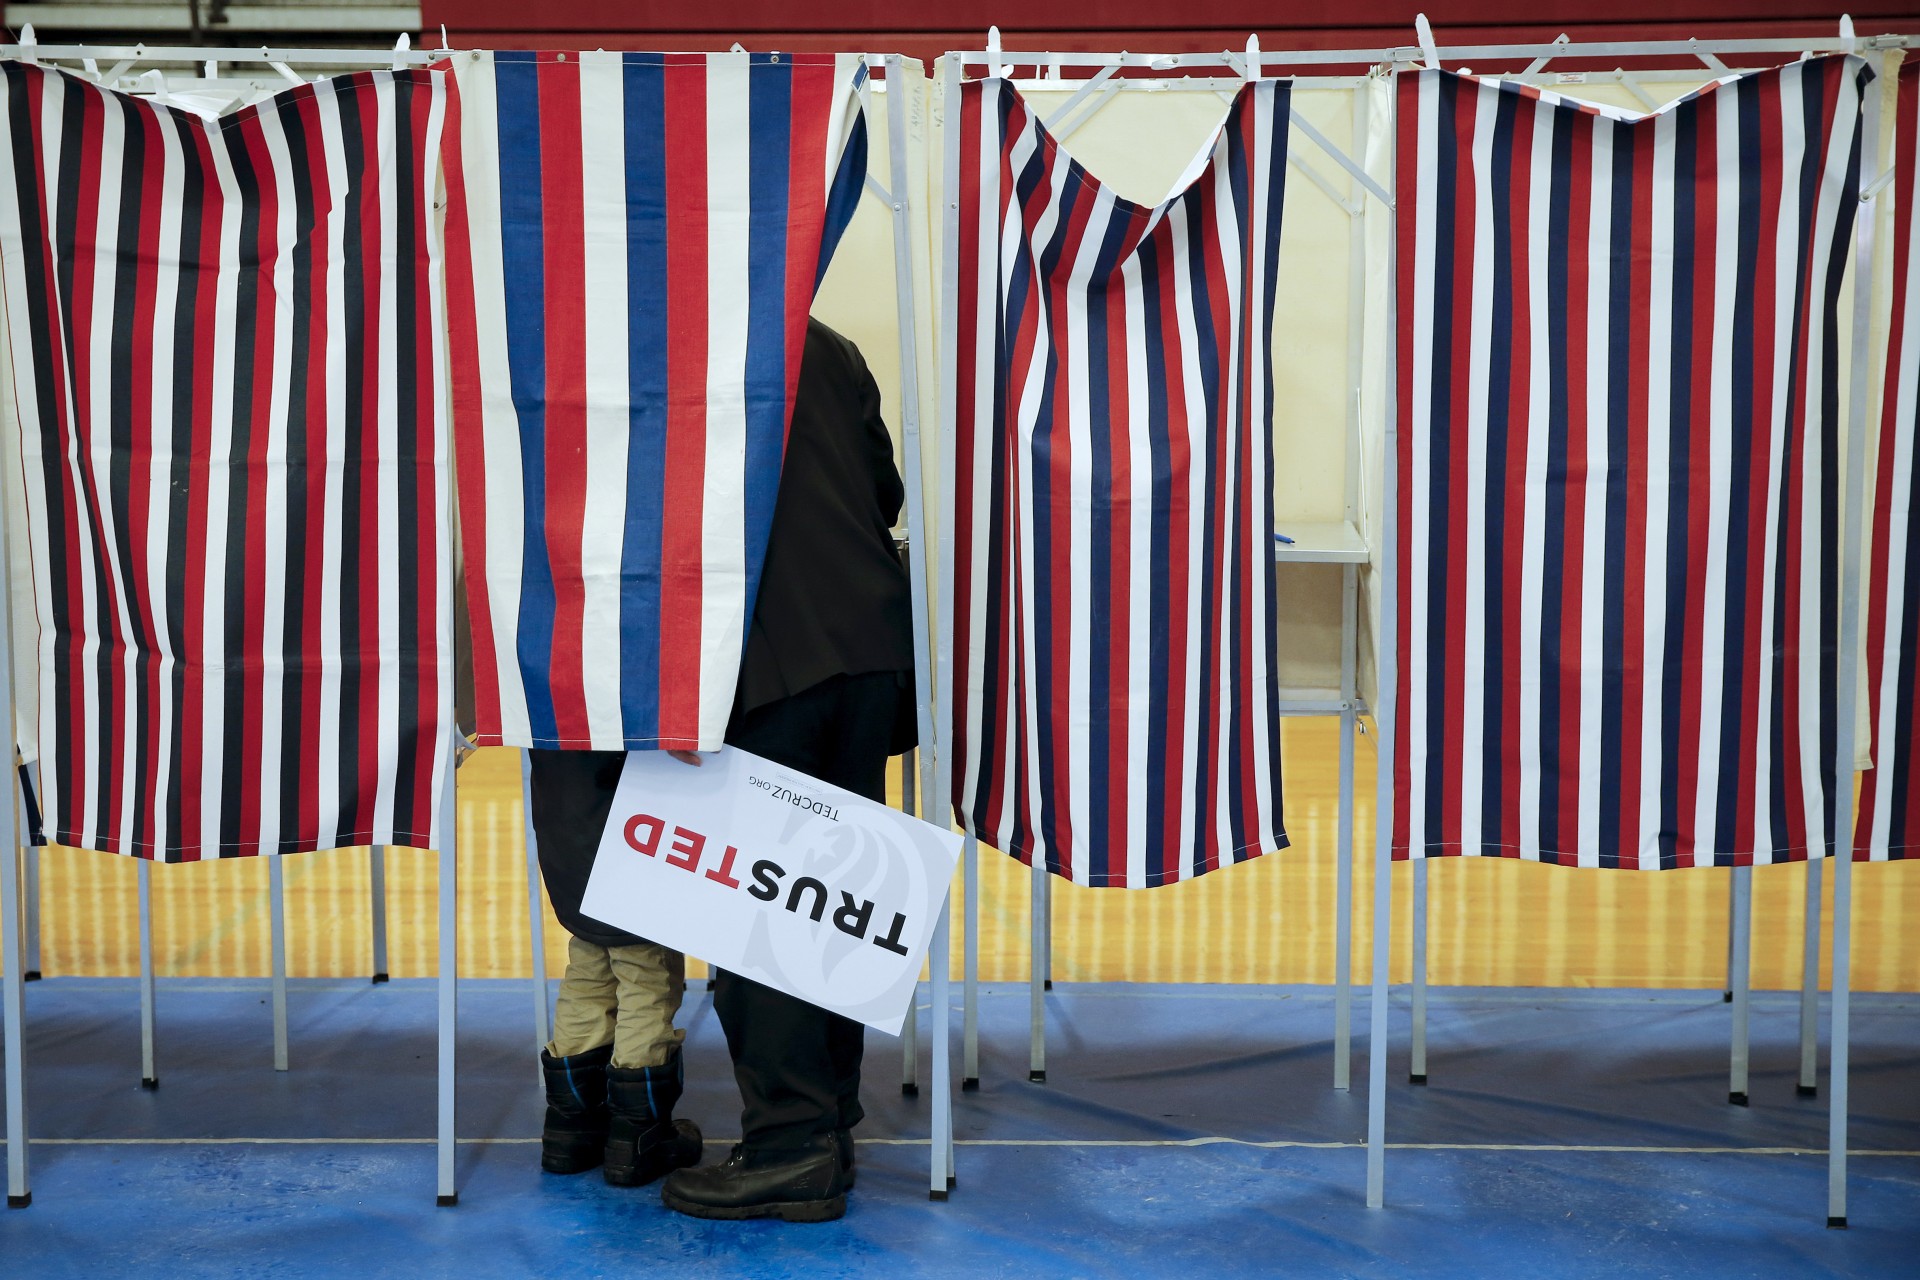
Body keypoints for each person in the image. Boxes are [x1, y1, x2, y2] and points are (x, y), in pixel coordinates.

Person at [659, 317, 917, 1223]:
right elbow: (883, 489)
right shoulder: (831, 342)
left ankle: (789, 1146)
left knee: (756, 908)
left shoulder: (676, 335)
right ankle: (829, 1114)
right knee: (837, 895)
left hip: (764, 655)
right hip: (870, 645)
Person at [527, 749, 703, 1186]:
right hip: (630, 822)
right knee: (646, 975)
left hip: (564, 817)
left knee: (588, 965)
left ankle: (569, 1131)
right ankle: (637, 1136)